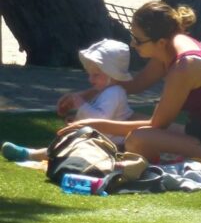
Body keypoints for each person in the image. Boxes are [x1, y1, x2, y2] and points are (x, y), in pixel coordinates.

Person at [52, 2, 201, 163]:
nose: (133, 44)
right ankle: (170, 157)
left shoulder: (184, 66)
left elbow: (156, 125)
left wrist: (91, 124)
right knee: (129, 118)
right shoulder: (171, 45)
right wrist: (85, 94)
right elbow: (136, 85)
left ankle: (165, 164)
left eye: (138, 40)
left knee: (137, 139)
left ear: (160, 42)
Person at [2, 38, 135, 162]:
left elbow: (102, 118)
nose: (90, 79)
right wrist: (78, 117)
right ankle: (34, 154)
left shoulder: (114, 93)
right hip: (102, 140)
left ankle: (30, 155)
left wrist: (81, 105)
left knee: (69, 146)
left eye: (96, 75)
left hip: (110, 145)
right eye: (90, 75)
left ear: (112, 75)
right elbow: (96, 116)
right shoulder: (107, 91)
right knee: (67, 143)